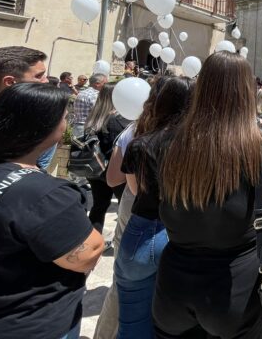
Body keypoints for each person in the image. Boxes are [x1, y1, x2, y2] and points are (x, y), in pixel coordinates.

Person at [0, 83, 104, 338]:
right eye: (64, 117)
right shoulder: (47, 194)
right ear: (43, 127)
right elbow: (86, 255)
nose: (67, 123)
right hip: (31, 323)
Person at [153, 53, 262, 338]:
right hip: (233, 283)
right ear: (245, 89)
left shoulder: (170, 138)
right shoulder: (261, 140)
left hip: (174, 283)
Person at [116, 77, 194, 338]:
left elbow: (136, 190)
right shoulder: (199, 148)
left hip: (143, 229)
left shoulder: (140, 144)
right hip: (182, 233)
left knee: (132, 324)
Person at [95, 77, 171, 339]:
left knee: (125, 285)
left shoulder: (135, 131)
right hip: (162, 213)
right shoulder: (186, 135)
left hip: (137, 206)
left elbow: (113, 178)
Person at [85, 83, 128, 233]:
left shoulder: (93, 117)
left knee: (98, 206)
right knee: (124, 208)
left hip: (95, 169)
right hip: (114, 171)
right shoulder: (117, 120)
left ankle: (92, 238)